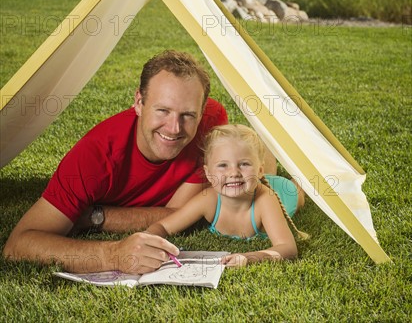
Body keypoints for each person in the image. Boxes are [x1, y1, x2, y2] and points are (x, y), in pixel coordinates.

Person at [3, 51, 230, 274]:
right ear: (139, 103)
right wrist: (114, 255)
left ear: (201, 113)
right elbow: (18, 246)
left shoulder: (211, 121)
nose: (174, 128)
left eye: (188, 115)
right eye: (162, 110)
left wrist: (95, 217)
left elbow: (183, 213)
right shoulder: (95, 155)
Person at [146, 124, 307, 267]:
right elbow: (163, 226)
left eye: (244, 164)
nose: (233, 173)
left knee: (301, 188)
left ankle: (300, 168)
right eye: (223, 165)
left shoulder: (266, 200)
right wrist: (147, 239)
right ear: (208, 173)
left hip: (283, 191)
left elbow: (288, 248)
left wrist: (249, 257)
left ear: (259, 170)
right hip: (255, 181)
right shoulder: (208, 199)